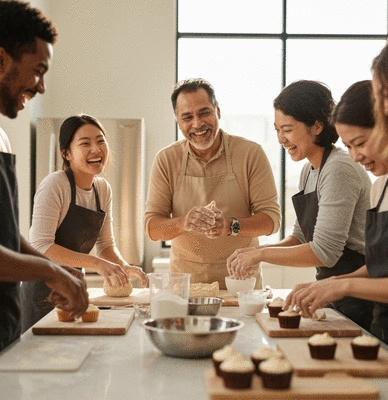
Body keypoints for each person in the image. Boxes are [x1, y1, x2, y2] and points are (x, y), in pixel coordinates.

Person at [227, 80, 374, 330]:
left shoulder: (339, 168)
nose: (281, 139)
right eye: (277, 130)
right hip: (331, 293)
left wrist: (261, 254)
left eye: (288, 129)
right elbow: (300, 236)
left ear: (317, 126)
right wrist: (256, 253)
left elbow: (325, 252)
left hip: (359, 298)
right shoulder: (310, 170)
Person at [285, 37, 388, 352]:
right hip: (384, 335)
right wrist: (333, 284)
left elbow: (326, 250)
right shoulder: (381, 188)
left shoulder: (339, 170)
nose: (355, 156)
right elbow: (380, 267)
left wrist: (345, 284)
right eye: (349, 146)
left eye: (361, 143)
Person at [0, 0, 88, 351]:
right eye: (38, 70)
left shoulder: (2, 137)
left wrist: (57, 271)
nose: (41, 87)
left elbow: (6, 237)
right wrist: (51, 272)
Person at [144, 78, 281, 289]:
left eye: (204, 112)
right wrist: (183, 222)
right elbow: (152, 228)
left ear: (218, 111)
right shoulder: (166, 160)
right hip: (187, 287)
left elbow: (271, 221)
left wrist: (230, 225)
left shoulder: (250, 154)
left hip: (241, 285)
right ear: (178, 121)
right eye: (187, 117)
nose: (197, 124)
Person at [21, 114, 148, 331]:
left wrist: (123, 267)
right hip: (42, 290)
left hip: (74, 289)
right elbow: (41, 246)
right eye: (85, 143)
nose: (96, 150)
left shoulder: (102, 189)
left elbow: (106, 245)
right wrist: (97, 263)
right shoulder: (55, 185)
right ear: (66, 153)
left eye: (100, 141)